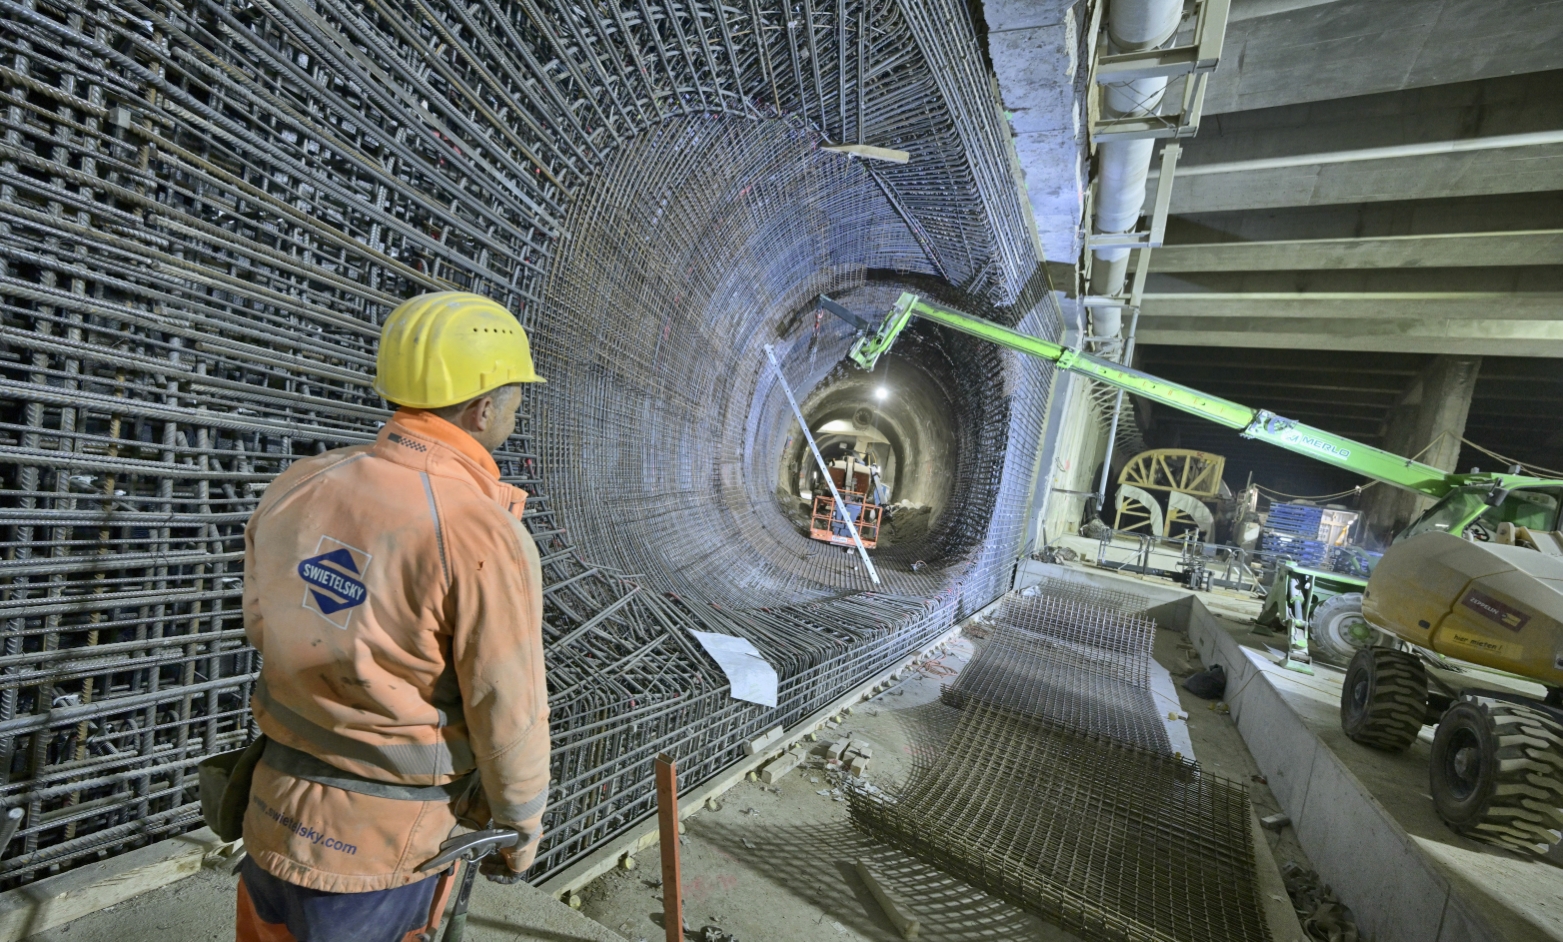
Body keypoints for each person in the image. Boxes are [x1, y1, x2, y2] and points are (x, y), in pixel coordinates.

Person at [236, 292, 550, 942]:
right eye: (517, 397)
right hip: (380, 860)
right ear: (482, 407)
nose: (516, 411)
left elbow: (265, 627)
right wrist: (519, 831)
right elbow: (507, 714)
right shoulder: (480, 532)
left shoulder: (301, 482)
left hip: (268, 816)